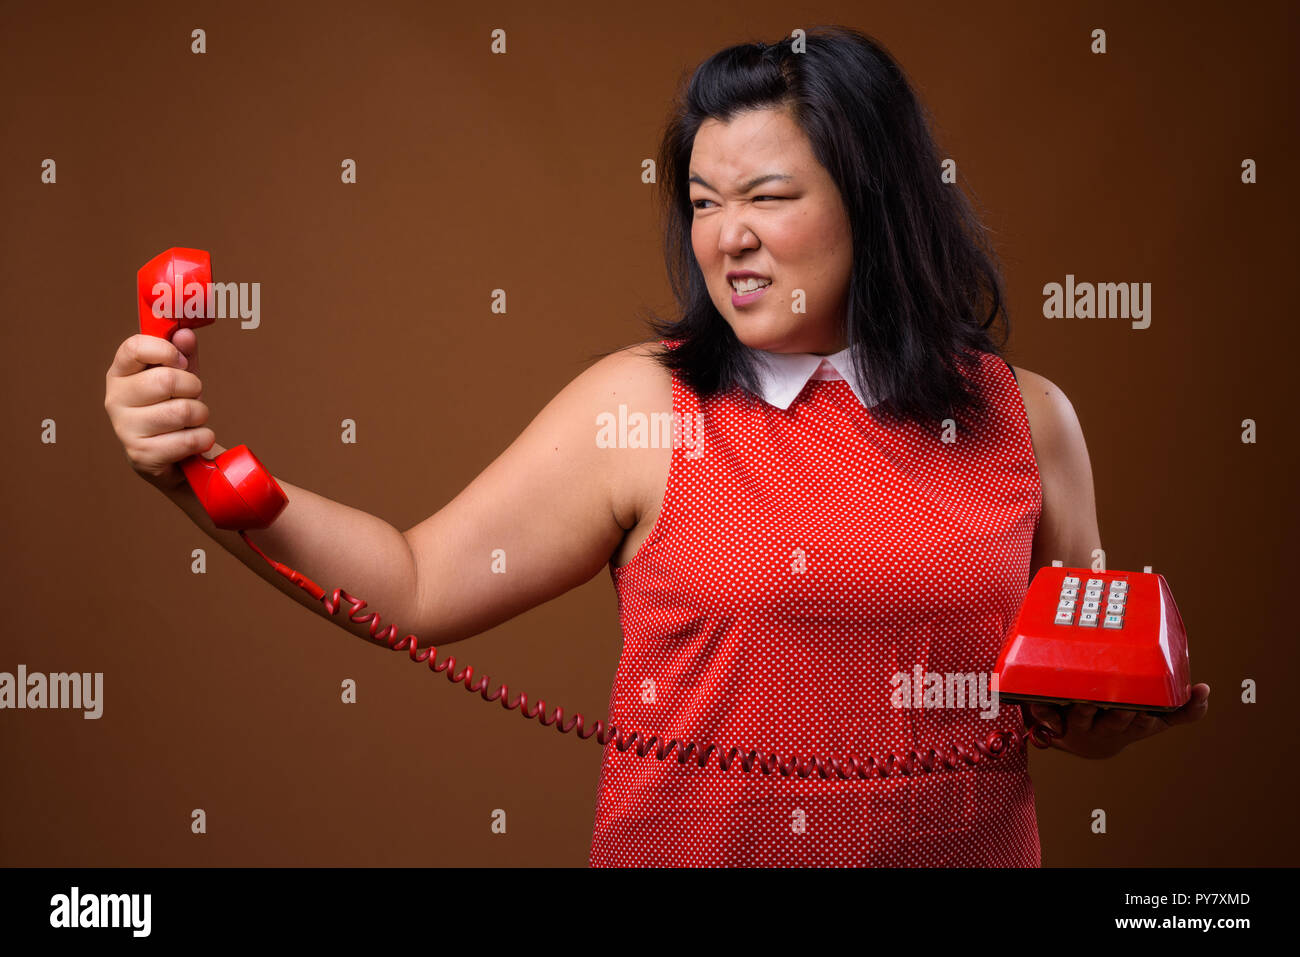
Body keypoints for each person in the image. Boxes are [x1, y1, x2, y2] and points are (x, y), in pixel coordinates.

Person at [104, 25, 1209, 867]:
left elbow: (1072, 719)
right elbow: (415, 581)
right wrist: (192, 477)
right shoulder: (639, 409)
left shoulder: (1028, 419)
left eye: (769, 197)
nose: (727, 236)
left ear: (876, 204)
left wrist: (1122, 719)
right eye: (703, 201)